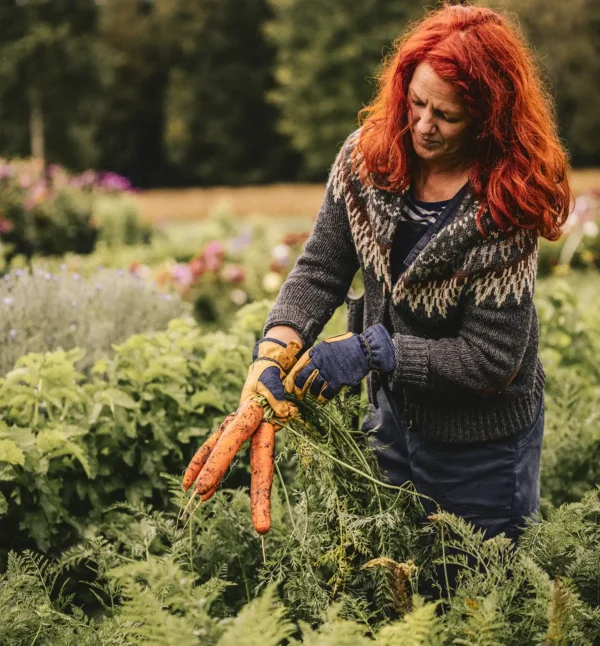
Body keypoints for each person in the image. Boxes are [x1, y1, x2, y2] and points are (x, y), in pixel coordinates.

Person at [239, 4, 571, 541]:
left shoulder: (504, 205)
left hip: (480, 446)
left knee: (481, 594)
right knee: (395, 585)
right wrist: (276, 346)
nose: (423, 125)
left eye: (447, 115)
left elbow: (491, 358)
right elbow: (322, 267)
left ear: (488, 115)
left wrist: (377, 352)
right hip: (392, 423)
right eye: (416, 103)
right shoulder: (367, 160)